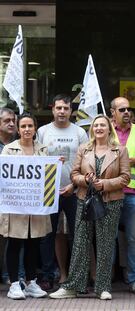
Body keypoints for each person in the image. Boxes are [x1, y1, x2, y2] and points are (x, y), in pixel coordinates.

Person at [49, 114, 130, 300]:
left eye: (103, 125)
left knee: (105, 243)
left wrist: (106, 184)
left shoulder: (120, 150)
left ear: (109, 128)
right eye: (96, 125)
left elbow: (126, 178)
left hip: (111, 201)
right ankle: (72, 287)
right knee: (80, 243)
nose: (99, 128)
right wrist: (84, 179)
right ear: (92, 129)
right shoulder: (83, 149)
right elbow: (74, 174)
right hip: (85, 199)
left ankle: (103, 288)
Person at [37, 94, 89, 290]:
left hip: (75, 191)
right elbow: (37, 160)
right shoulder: (42, 132)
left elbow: (86, 163)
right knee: (47, 235)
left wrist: (74, 186)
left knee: (77, 235)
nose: (62, 112)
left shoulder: (79, 133)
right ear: (53, 110)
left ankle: (78, 278)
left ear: (70, 111)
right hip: (48, 192)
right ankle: (48, 276)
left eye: (65, 108)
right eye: (58, 108)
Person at [1, 113, 51, 299]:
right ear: (19, 129)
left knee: (33, 243)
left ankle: (31, 283)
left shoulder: (43, 150)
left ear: (35, 128)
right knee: (14, 243)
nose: (27, 129)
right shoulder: (8, 150)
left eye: (30, 126)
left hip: (36, 206)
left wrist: (56, 165)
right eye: (23, 126)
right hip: (15, 205)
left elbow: (47, 176)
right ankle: (14, 284)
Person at [111, 96, 135, 294]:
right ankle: (105, 279)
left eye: (128, 109)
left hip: (133, 193)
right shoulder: (105, 130)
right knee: (108, 238)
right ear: (113, 112)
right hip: (110, 193)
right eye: (122, 110)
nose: (126, 112)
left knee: (134, 239)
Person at [0, 107, 16, 283]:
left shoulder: (20, 144)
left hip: (14, 201)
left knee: (11, 239)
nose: (12, 123)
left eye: (13, 120)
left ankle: (8, 275)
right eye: (7, 121)